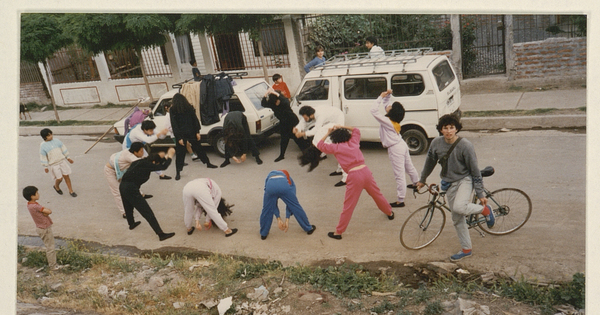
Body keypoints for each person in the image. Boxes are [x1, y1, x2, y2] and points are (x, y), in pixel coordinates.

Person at [416, 114, 495, 261]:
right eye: (445, 128)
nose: (448, 131)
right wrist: (422, 180)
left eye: (451, 128)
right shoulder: (436, 143)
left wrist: (481, 193)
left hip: (464, 179)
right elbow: (430, 162)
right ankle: (466, 249)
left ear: (457, 129)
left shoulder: (465, 145)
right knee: (457, 218)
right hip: (448, 182)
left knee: (459, 207)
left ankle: (485, 210)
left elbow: (474, 171)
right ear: (440, 129)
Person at [317, 126, 395, 240]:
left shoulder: (336, 147)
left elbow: (319, 145)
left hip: (354, 176)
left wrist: (328, 132)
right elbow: (356, 130)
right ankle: (389, 213)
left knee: (349, 206)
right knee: (377, 195)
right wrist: (342, 126)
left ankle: (338, 232)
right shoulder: (353, 142)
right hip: (365, 171)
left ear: (334, 139)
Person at [371, 90, 420, 207]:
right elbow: (386, 104)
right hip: (401, 144)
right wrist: (388, 95)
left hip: (395, 148)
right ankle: (416, 182)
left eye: (391, 107)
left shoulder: (387, 121)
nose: (389, 106)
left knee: (399, 175)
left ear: (391, 112)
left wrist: (380, 96)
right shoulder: (393, 121)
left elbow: (373, 110)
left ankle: (400, 200)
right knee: (409, 166)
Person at [119, 148, 177, 241]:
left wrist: (163, 157)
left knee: (128, 206)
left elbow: (158, 164)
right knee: (146, 211)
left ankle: (132, 224)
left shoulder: (142, 161)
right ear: (153, 162)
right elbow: (163, 167)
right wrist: (170, 155)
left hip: (123, 185)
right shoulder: (147, 165)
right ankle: (161, 234)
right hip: (131, 188)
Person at [294, 105, 347, 187]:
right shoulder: (317, 141)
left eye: (305, 118)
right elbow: (303, 122)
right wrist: (297, 128)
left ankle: (346, 178)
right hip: (329, 126)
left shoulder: (320, 116)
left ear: (311, 115)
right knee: (337, 151)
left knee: (340, 152)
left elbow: (316, 130)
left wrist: (303, 133)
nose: (304, 119)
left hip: (337, 117)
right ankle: (340, 169)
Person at [170, 93, 217, 180]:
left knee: (180, 154)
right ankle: (208, 163)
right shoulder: (187, 107)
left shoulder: (174, 109)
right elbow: (195, 120)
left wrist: (179, 137)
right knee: (199, 148)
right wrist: (197, 132)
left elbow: (174, 125)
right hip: (191, 131)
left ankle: (178, 172)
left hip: (182, 133)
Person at [260, 170, 316, 240]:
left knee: (266, 209)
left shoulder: (268, 177)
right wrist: (287, 218)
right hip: (284, 186)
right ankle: (308, 228)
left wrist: (278, 218)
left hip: (270, 187)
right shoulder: (289, 179)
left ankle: (264, 233)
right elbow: (291, 204)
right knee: (295, 206)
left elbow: (272, 205)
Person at [261, 88, 309, 162]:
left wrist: (276, 93)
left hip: (293, 121)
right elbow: (263, 104)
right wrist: (266, 93)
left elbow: (286, 101)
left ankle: (307, 154)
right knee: (284, 139)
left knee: (298, 139)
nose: (277, 101)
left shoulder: (284, 102)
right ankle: (281, 155)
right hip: (284, 123)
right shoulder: (272, 104)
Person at [23, 186, 62, 270]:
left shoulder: (30, 205)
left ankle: (53, 264)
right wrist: (46, 212)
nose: (38, 194)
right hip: (45, 229)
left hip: (41, 228)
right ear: (32, 196)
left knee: (49, 246)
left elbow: (45, 212)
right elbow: (49, 211)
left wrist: (45, 213)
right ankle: (53, 265)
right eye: (37, 193)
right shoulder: (35, 206)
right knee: (50, 247)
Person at [104, 142, 147, 218]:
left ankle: (141, 194)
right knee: (117, 191)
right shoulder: (130, 156)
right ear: (135, 152)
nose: (143, 152)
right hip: (110, 171)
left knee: (132, 182)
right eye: (141, 151)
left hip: (121, 170)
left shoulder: (132, 152)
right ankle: (124, 212)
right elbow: (142, 163)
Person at [39, 128, 77, 197]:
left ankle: (71, 191)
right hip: (54, 164)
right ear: (44, 137)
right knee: (59, 178)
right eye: (48, 136)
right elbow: (43, 156)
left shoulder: (57, 141)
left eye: (51, 134)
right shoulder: (43, 145)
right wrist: (45, 166)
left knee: (66, 176)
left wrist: (68, 158)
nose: (51, 136)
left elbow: (63, 149)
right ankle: (56, 186)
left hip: (62, 161)